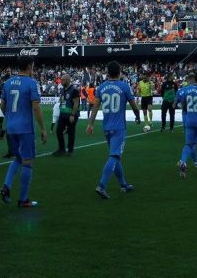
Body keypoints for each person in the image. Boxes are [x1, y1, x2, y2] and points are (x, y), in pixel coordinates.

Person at [87, 61, 141, 199]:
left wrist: (90, 124)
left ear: (107, 72)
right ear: (119, 72)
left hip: (106, 127)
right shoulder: (124, 86)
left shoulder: (101, 87)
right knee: (114, 156)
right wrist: (138, 117)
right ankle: (102, 185)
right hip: (119, 127)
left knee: (115, 155)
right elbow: (134, 106)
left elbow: (95, 107)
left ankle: (123, 184)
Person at [0, 56, 47, 208]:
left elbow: (2, 105)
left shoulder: (8, 83)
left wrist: (11, 118)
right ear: (29, 66)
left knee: (18, 158)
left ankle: (6, 186)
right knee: (27, 161)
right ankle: (23, 199)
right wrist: (43, 128)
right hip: (25, 128)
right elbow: (36, 107)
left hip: (11, 127)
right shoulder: (32, 83)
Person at [53, 74, 80, 156]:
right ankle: (61, 149)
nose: (61, 81)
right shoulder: (62, 90)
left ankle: (70, 150)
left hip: (71, 115)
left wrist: (72, 115)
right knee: (58, 131)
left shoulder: (74, 90)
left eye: (63, 79)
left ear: (68, 80)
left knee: (71, 132)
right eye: (61, 79)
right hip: (63, 114)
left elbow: (76, 103)